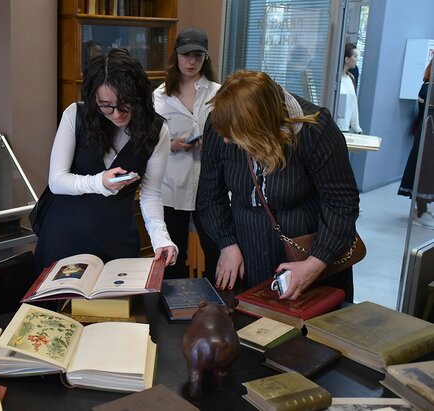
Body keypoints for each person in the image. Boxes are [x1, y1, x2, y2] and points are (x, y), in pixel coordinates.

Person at [197, 70, 360, 302]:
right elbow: (209, 195)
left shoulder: (315, 129)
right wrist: (226, 243)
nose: (226, 140)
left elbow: (342, 204)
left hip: (310, 254)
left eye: (235, 135)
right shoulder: (222, 124)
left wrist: (314, 264)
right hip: (246, 252)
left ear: (258, 128)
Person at [34, 48, 177, 271]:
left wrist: (161, 239)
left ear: (139, 96)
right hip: (64, 235)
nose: (117, 114)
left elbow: (151, 194)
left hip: (116, 238)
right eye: (106, 106)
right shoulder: (76, 116)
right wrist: (99, 182)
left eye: (125, 104)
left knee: (117, 293)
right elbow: (57, 181)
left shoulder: (156, 131)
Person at [153, 28, 221, 279]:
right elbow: (148, 141)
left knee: (215, 249)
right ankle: (173, 300)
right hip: (172, 184)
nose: (191, 62)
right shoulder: (160, 96)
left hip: (209, 184)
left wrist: (212, 144)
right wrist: (171, 145)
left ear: (205, 58)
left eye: (197, 56)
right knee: (174, 254)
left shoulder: (218, 92)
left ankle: (217, 299)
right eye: (186, 55)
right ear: (176, 56)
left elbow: (232, 134)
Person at [398, 60, 434, 227]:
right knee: (423, 173)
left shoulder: (427, 87)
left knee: (425, 172)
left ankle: (422, 209)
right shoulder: (428, 88)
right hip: (428, 137)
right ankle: (421, 211)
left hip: (427, 135)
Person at [335, 42, 363, 133]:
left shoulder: (351, 78)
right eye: (355, 56)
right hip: (334, 127)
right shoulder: (335, 79)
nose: (357, 59)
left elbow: (353, 104)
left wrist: (357, 127)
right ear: (347, 59)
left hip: (345, 128)